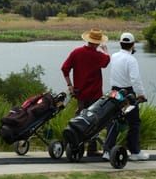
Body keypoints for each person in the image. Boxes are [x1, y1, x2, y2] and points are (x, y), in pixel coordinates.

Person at [61, 28, 110, 156]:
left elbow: (64, 68)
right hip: (95, 95)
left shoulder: (76, 52)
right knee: (94, 121)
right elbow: (106, 62)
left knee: (79, 118)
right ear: (97, 43)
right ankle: (92, 149)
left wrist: (70, 85)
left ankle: (72, 144)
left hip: (80, 94)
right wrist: (106, 51)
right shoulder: (99, 56)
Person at [102, 32, 149, 161]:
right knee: (134, 122)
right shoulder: (131, 59)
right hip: (127, 94)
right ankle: (134, 152)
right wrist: (141, 95)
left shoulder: (115, 56)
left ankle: (107, 150)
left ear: (120, 44)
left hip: (114, 93)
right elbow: (135, 79)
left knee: (113, 121)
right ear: (132, 45)